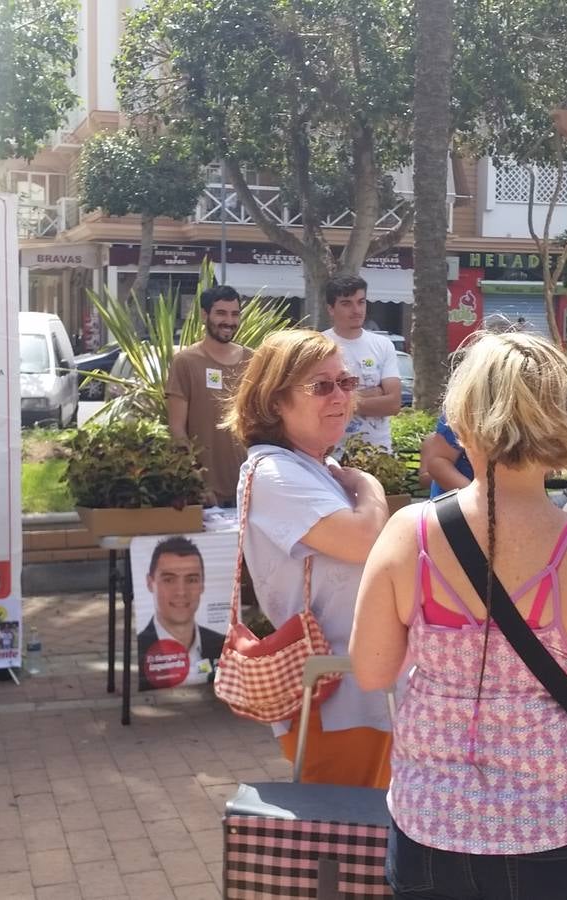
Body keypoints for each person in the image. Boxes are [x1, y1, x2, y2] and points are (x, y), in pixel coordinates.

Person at [350, 332, 567, 899]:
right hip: (562, 829)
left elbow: (373, 672)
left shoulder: (409, 534)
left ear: (464, 418)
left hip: (432, 826)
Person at [225, 329, 393, 787]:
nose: (339, 396)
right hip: (335, 699)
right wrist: (369, 487)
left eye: (346, 383)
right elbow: (364, 539)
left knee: (370, 844)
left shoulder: (316, 467)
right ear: (276, 402)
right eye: (321, 386)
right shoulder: (274, 473)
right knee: (351, 844)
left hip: (361, 691)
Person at [167, 284, 253, 506]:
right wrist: (196, 481)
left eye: (235, 314)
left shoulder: (253, 361)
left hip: (249, 488)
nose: (229, 321)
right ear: (204, 315)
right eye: (221, 313)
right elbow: (176, 427)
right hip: (205, 493)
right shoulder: (185, 362)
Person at [321, 275, 402, 450]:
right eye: (346, 303)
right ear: (331, 309)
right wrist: (372, 394)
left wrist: (344, 400)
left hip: (379, 452)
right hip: (331, 453)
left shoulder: (383, 345)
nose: (356, 310)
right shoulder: (320, 346)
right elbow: (320, 402)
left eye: (361, 302)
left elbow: (394, 404)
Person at [137, 536, 224, 690]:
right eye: (169, 580)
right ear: (150, 583)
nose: (181, 592)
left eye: (191, 580)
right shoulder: (141, 650)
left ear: (202, 584)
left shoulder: (223, 645)